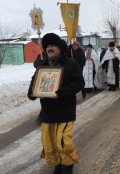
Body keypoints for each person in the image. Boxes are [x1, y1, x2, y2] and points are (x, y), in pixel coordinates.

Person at [27, 33, 84, 174]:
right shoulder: (42, 66)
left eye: (52, 46)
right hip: (48, 112)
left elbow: (79, 82)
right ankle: (58, 166)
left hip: (65, 111)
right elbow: (34, 84)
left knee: (64, 142)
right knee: (50, 142)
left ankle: (67, 166)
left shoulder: (71, 64)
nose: (49, 48)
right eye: (47, 46)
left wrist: (62, 92)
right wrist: (32, 92)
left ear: (59, 48)